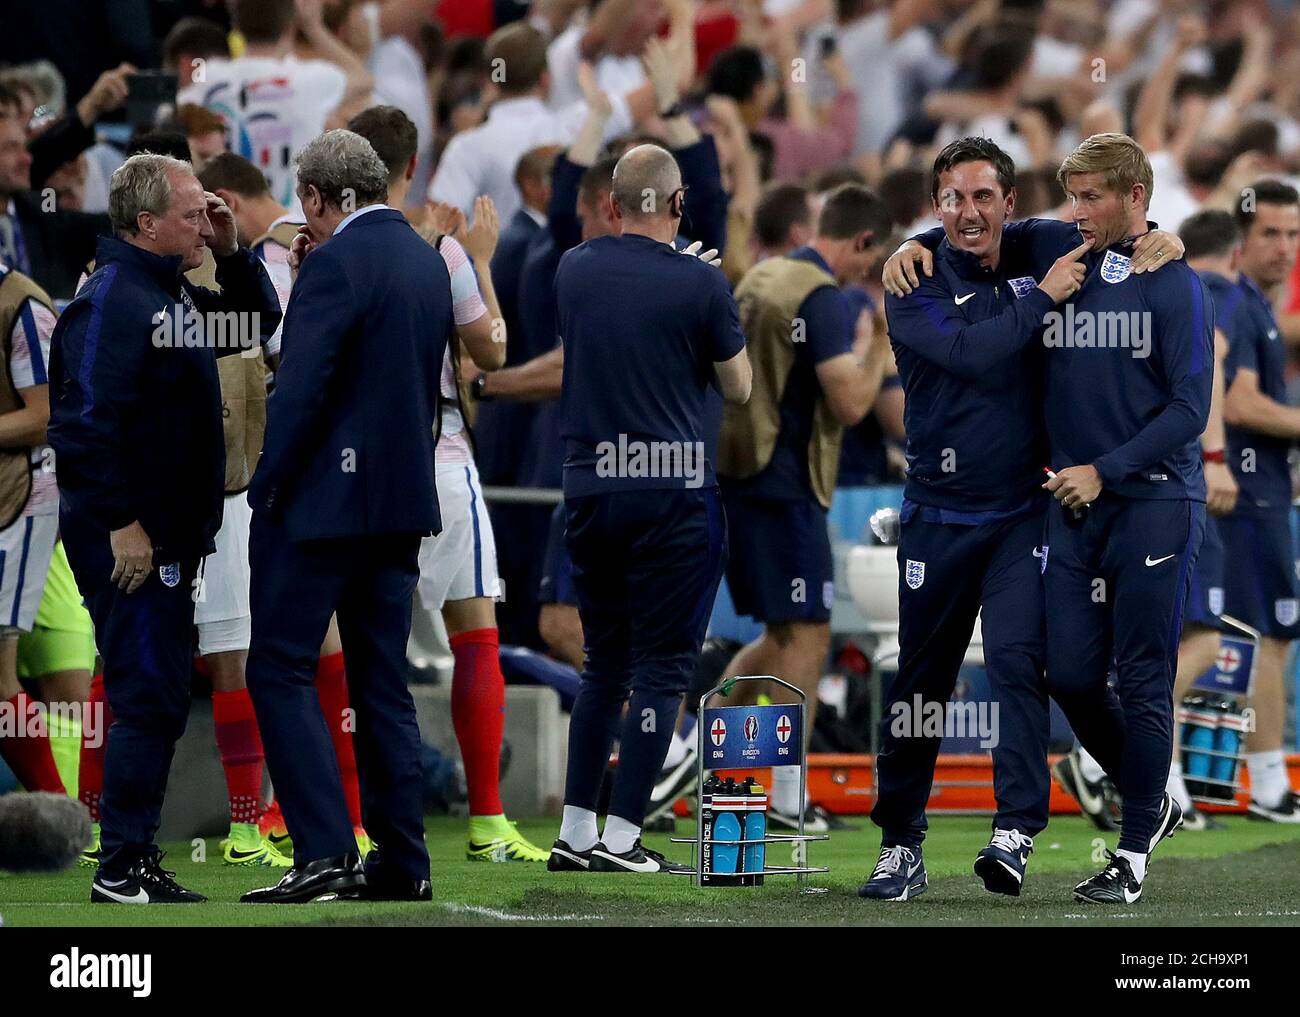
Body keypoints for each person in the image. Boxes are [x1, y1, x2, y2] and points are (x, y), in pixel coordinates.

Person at [49, 152, 281, 904]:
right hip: (132, 536)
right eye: (189, 212)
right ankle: (120, 864)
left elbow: (257, 323)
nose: (203, 220)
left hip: (168, 533)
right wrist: (123, 523)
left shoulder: (164, 287)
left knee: (156, 692)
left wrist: (231, 249)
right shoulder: (112, 299)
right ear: (145, 222)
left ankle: (135, 856)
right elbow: (80, 425)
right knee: (147, 693)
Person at [861, 138, 1088, 902]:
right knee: (922, 681)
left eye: (983, 196)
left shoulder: (1036, 244)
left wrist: (1161, 234)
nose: (969, 211)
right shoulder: (914, 274)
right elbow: (971, 353)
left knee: (1022, 664)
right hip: (937, 513)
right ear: (935, 206)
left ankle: (1015, 829)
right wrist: (1042, 299)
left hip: (1023, 511)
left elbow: (1107, 225)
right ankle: (900, 842)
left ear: (1010, 203)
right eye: (953, 198)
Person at [240, 130, 452, 904]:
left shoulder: (333, 262)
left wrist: (267, 486)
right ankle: (403, 860)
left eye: (310, 206)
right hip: (399, 503)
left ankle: (325, 851)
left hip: (323, 506)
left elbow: (301, 390)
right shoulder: (428, 259)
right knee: (382, 683)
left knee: (279, 665)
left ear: (322, 198)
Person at [349, 103, 549, 863]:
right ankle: (488, 820)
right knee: (475, 633)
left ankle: (345, 819)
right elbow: (491, 352)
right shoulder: (440, 251)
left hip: (357, 464)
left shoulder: (317, 250)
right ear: (411, 167)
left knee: (357, 647)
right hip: (439, 456)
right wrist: (483, 259)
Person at [548, 143, 750, 873]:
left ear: (610, 206)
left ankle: (574, 832)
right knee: (664, 667)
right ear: (677, 205)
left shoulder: (573, 269)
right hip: (671, 492)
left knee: (605, 663)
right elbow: (739, 387)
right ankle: (625, 837)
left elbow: (606, 335)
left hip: (592, 488)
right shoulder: (701, 285)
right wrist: (703, 285)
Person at [1040, 134, 1212, 904]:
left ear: (1136, 196)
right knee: (1070, 672)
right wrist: (901, 251)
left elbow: (1190, 408)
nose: (1077, 210)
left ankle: (1134, 850)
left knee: (1145, 677)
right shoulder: (1064, 257)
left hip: (1152, 502)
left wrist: (1103, 470)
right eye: (1072, 195)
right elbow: (974, 234)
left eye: (1092, 196)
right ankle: (1153, 796)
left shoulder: (1173, 280)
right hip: (1079, 504)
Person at [714, 183, 892, 832]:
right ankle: (787, 797)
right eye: (869, 264)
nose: (865, 277)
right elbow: (850, 403)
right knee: (808, 634)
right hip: (781, 482)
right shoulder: (820, 297)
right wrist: (879, 341)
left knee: (784, 635)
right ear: (861, 242)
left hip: (745, 472)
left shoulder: (766, 275)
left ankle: (699, 755)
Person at [1216, 180, 1300, 822]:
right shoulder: (1240, 308)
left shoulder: (1257, 309)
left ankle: (1257, 779)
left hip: (1261, 489)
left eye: (1294, 235)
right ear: (1241, 240)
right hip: (1246, 498)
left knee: (1263, 636)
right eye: (1270, 233)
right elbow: (1239, 403)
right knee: (1264, 637)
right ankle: (1268, 782)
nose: (1284, 247)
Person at [1169, 208, 1241, 831]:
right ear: (1238, 252)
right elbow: (1212, 360)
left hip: (1165, 479)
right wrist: (1215, 456)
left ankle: (1160, 784)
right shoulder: (1220, 291)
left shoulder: (1183, 283)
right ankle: (1115, 761)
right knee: (1199, 639)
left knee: (1183, 639)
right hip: (1188, 480)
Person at [179, 0, 373, 209]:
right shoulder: (310, 79)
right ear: (290, 26)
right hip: (292, 225)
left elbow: (179, 96)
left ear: (236, 26)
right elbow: (363, 79)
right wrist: (314, 28)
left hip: (224, 219)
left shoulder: (210, 77)